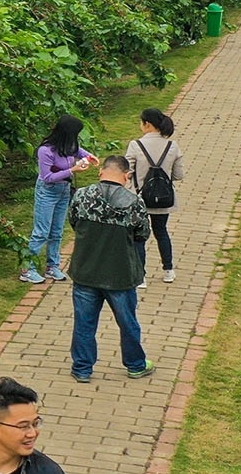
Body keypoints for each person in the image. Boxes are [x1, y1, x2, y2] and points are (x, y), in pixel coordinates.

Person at [67, 154, 152, 383]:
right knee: (127, 322)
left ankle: (83, 368)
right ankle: (136, 365)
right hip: (120, 275)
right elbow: (141, 234)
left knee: (84, 323)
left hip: (85, 271)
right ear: (127, 176)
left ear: (101, 172)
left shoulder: (82, 196)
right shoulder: (134, 203)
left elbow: (73, 222)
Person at [23, 115, 96, 284]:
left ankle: (52, 266)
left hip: (63, 190)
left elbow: (77, 151)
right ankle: (28, 269)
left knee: (57, 231)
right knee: (41, 231)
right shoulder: (46, 151)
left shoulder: (69, 144)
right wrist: (73, 169)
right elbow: (48, 177)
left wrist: (89, 156)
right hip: (47, 191)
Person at [125, 108, 186, 286]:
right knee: (161, 231)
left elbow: (127, 171)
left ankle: (141, 276)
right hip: (164, 198)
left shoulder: (136, 145)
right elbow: (179, 175)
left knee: (139, 236)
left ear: (147, 124)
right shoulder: (172, 146)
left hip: (141, 198)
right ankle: (168, 270)